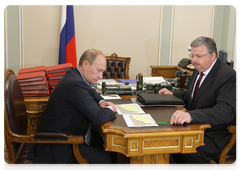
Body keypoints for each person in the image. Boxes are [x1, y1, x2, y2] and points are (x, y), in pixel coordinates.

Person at [27, 49, 117, 170]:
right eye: (98, 71)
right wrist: (111, 108)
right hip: (59, 144)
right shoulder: (75, 84)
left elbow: (90, 91)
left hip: (70, 133)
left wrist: (102, 101)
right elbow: (98, 117)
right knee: (104, 159)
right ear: (85, 64)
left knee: (110, 145)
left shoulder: (75, 75)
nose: (100, 76)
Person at [159, 36, 240, 170]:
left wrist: (191, 116)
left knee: (191, 151)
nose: (193, 60)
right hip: (200, 126)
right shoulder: (199, 69)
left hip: (220, 132)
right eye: (192, 55)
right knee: (174, 145)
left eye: (198, 56)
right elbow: (195, 97)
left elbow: (226, 111)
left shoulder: (227, 76)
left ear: (212, 55)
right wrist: (174, 94)